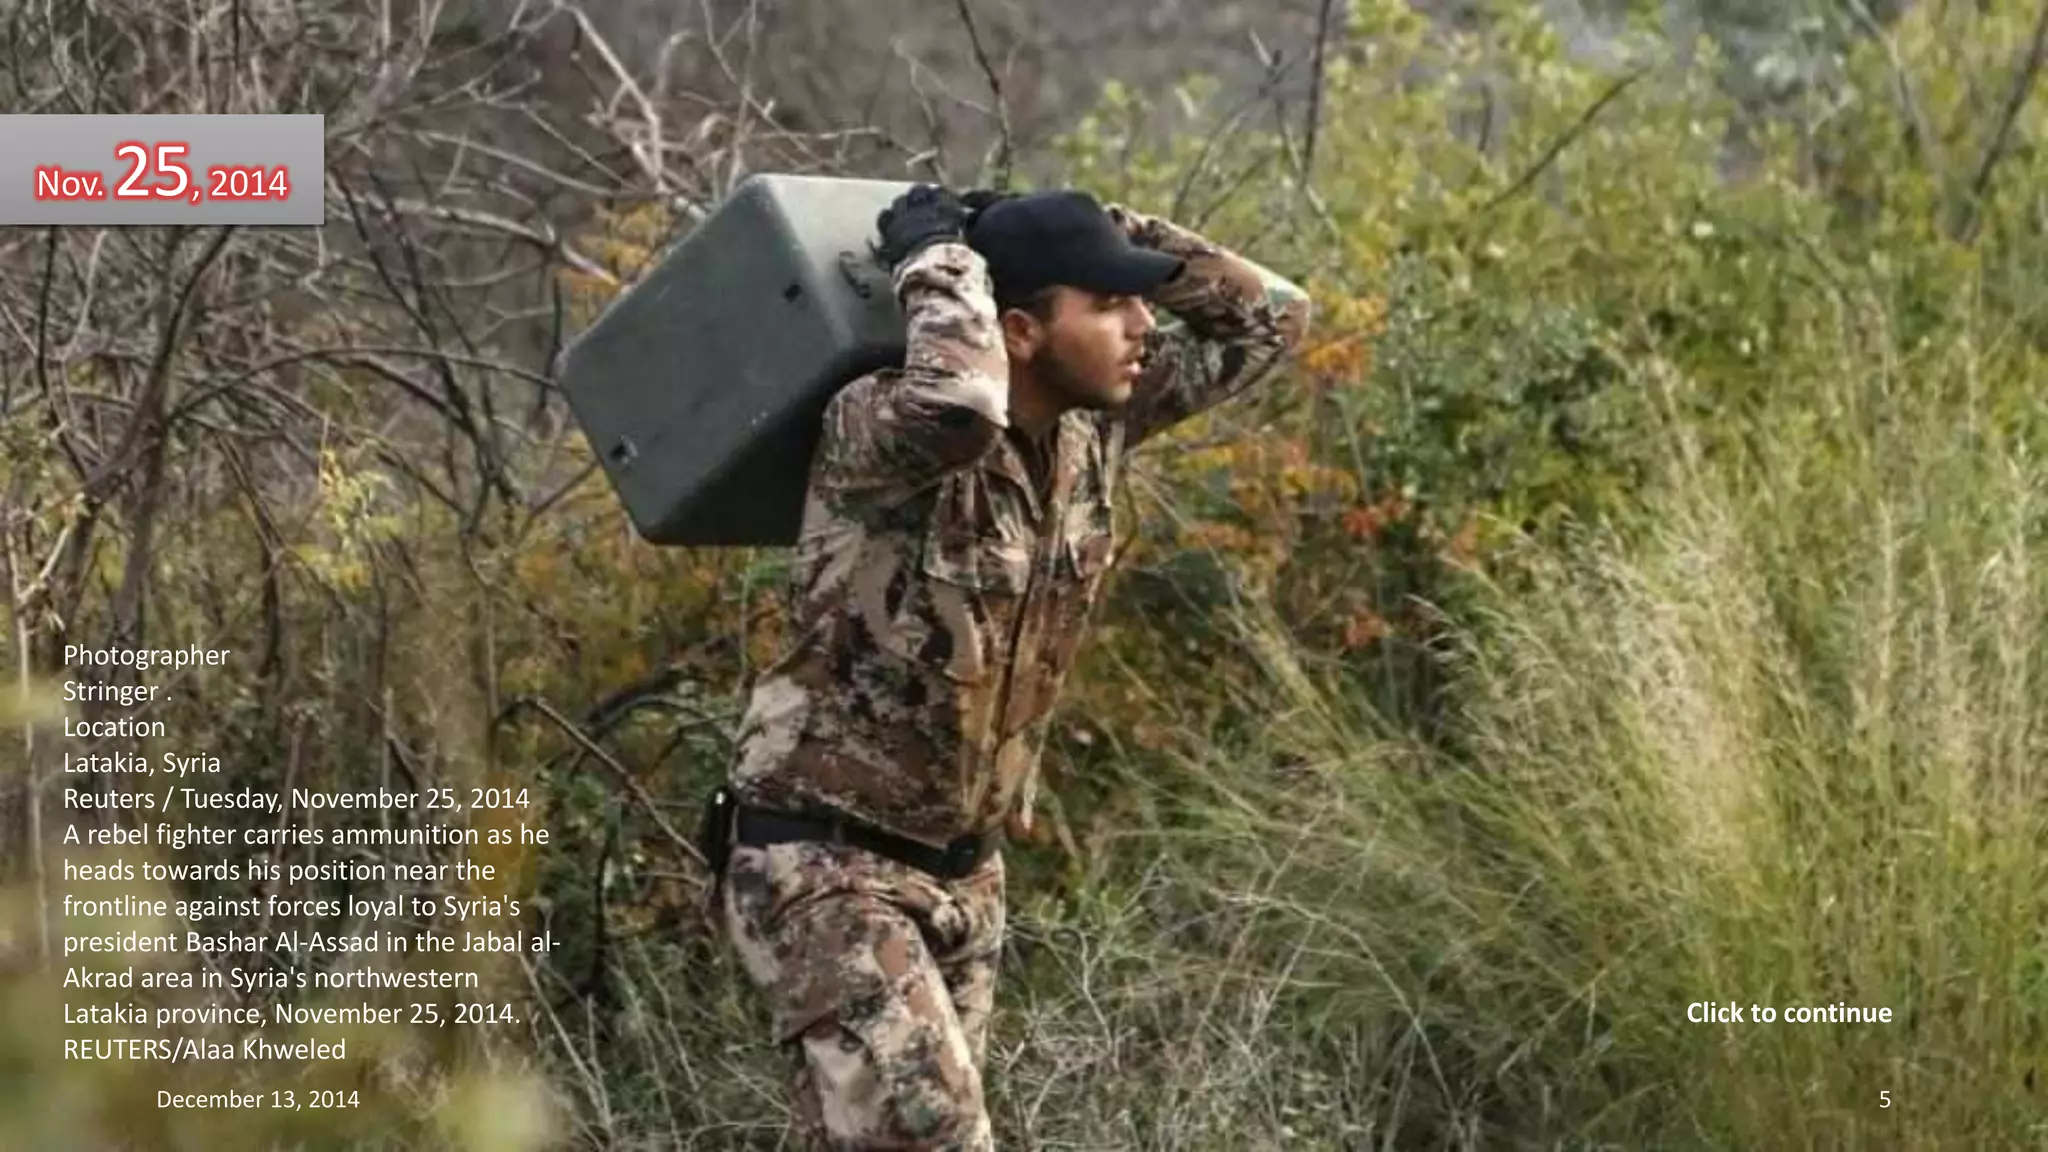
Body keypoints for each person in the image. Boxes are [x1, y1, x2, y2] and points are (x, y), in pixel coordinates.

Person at [703, 181, 1313, 1149]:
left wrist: (1118, 233)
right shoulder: (880, 429)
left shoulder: (1091, 428)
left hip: (964, 877)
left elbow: (1270, 320)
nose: (1141, 325)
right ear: (1018, 331)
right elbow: (960, 402)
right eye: (1107, 303)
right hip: (821, 865)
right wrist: (938, 261)